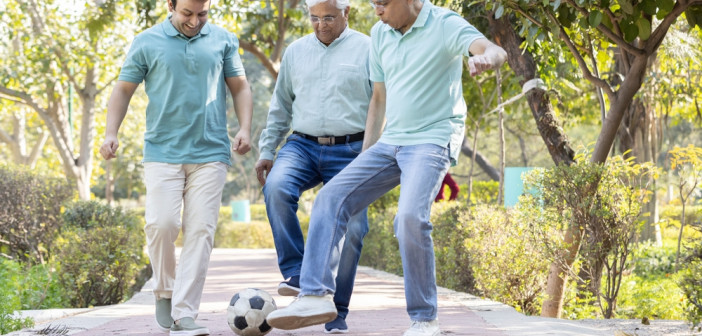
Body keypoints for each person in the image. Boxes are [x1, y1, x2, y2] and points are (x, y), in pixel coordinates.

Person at [266, 0, 507, 335]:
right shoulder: (381, 34)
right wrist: (362, 159)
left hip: (431, 140)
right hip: (390, 141)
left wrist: (484, 58)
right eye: (374, 3)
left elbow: (494, 50)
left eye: (383, 3)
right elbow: (378, 99)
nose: (377, 10)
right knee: (330, 198)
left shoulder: (444, 24)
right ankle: (316, 294)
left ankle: (424, 318)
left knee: (409, 217)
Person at [99, 0, 253, 334]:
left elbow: (239, 86)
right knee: (162, 224)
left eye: (202, 14)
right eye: (187, 13)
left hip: (210, 150)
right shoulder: (147, 42)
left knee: (200, 231)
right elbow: (123, 89)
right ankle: (164, 290)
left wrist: (244, 128)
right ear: (170, 5)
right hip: (162, 150)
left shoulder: (224, 40)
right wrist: (111, 133)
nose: (195, 21)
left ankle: (185, 314)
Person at [254, 0, 372, 333]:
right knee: (276, 187)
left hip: (352, 148)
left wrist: (373, 150)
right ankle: (297, 272)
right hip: (303, 145)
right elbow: (280, 104)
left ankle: (337, 312)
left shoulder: (368, 48)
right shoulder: (295, 52)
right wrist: (267, 148)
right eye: (315, 18)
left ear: (347, 14)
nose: (321, 25)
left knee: (354, 230)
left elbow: (382, 101)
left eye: (329, 18)